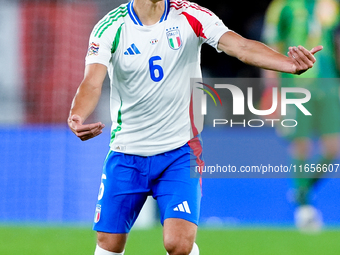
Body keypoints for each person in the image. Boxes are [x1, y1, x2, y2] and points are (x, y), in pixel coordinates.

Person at [68, 0, 322, 254]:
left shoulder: (190, 15)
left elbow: (241, 46)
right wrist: (77, 115)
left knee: (178, 245)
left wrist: (288, 65)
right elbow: (91, 81)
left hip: (179, 152)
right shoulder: (110, 27)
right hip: (126, 152)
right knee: (109, 244)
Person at [263, 0, 340, 232]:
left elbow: (334, 42)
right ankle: (305, 209)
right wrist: (271, 91)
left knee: (331, 149)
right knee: (301, 146)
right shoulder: (281, 7)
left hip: (327, 84)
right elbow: (271, 49)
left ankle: (301, 191)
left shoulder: (331, 3)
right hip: (295, 85)